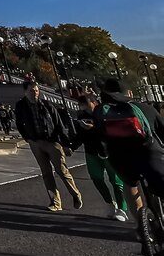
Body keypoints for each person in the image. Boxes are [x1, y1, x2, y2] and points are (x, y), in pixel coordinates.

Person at [14, 79, 83, 212]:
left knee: (62, 171)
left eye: (36, 90)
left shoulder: (46, 104)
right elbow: (19, 123)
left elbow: (58, 124)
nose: (34, 93)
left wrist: (66, 144)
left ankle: (75, 194)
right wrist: (27, 138)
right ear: (25, 92)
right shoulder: (21, 106)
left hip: (52, 141)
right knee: (46, 173)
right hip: (35, 142)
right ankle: (55, 202)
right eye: (31, 91)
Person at [94, 77, 164, 205]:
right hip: (149, 154)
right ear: (129, 93)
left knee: (130, 184)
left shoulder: (101, 110)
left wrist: (103, 152)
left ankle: (140, 221)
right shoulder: (146, 108)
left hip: (120, 157)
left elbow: (98, 136)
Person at [77, 92, 128, 222]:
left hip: (108, 151)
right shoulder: (81, 116)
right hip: (91, 152)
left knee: (116, 181)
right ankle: (110, 203)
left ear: (94, 102)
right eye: (82, 106)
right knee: (97, 179)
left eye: (87, 105)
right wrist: (70, 146)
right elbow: (80, 136)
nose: (85, 108)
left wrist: (93, 128)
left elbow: (111, 131)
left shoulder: (105, 114)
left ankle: (122, 208)